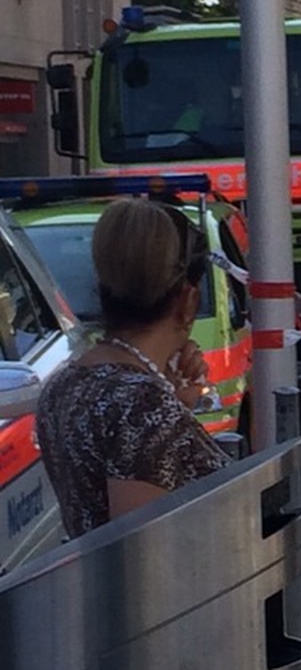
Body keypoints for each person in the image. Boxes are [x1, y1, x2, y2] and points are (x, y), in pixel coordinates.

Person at [35, 197, 226, 539]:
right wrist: (167, 410)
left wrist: (176, 404)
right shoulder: (141, 406)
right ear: (188, 300)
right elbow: (144, 558)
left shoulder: (66, 383)